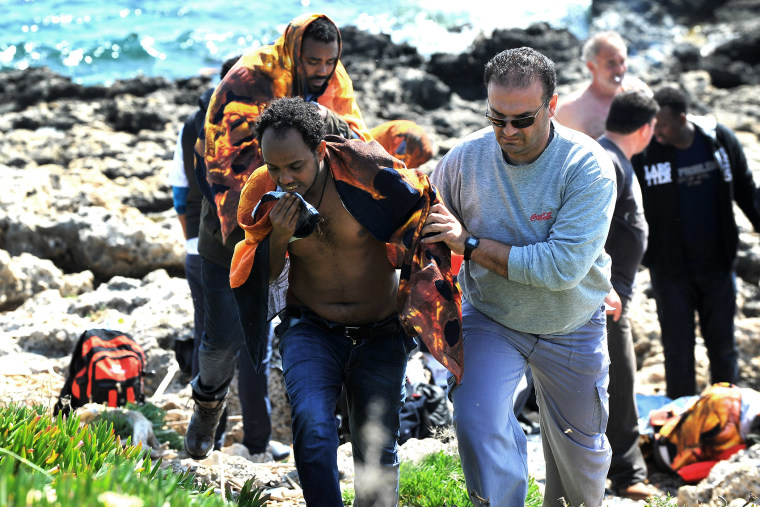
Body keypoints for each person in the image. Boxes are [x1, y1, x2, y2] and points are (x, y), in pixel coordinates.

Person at [229, 96, 462, 506]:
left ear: (321, 150)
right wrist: (280, 237)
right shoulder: (263, 194)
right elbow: (255, 280)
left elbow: (421, 201)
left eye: (295, 166)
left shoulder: (365, 172)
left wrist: (444, 228)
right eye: (274, 166)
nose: (285, 178)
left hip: (381, 333)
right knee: (314, 429)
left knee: (376, 452)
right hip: (312, 329)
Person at [422, 46, 616, 506]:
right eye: (496, 118)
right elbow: (422, 219)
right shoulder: (465, 160)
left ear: (552, 107)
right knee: (475, 418)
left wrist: (468, 244)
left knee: (581, 467)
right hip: (492, 318)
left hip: (571, 324)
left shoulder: (587, 167)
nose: (507, 131)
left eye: (522, 120)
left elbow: (560, 268)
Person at [185, 13, 371, 461]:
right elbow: (224, 164)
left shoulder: (332, 84)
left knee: (310, 329)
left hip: (306, 229)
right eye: (312, 61)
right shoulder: (249, 78)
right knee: (224, 340)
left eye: (330, 61)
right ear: (292, 51)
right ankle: (207, 403)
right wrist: (269, 212)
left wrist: (331, 127)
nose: (322, 70)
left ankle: (342, 427)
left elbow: (359, 144)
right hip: (231, 232)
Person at [632, 86, 760, 400]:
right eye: (652, 123)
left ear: (682, 117)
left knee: (723, 349)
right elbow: (624, 203)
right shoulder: (646, 152)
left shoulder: (718, 141)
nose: (656, 130)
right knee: (677, 353)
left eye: (662, 123)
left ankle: (727, 418)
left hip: (718, 266)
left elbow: (745, 188)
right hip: (670, 272)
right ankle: (681, 423)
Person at [597, 90, 661, 500]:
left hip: (612, 297)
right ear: (646, 128)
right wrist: (602, 286)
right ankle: (627, 474)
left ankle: (618, 468)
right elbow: (586, 230)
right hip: (605, 301)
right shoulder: (609, 162)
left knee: (614, 381)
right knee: (620, 382)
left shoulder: (616, 158)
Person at [555, 31, 650, 139]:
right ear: (591, 66)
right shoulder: (571, 110)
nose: (620, 69)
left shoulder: (639, 91)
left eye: (622, 61)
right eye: (611, 63)